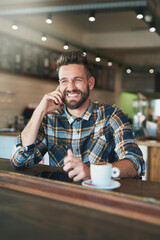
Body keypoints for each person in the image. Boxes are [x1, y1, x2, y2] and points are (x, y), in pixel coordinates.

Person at [11, 51, 145, 182]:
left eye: (78, 80)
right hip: (62, 198)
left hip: (102, 199)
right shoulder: (50, 120)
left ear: (90, 83)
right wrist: (39, 111)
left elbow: (135, 163)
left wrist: (92, 172)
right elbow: (19, 161)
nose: (70, 87)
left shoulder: (111, 115)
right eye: (64, 81)